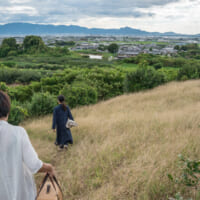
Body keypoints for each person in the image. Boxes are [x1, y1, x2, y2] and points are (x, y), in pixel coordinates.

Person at [0, 90, 55, 200]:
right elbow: (34, 164)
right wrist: (49, 168)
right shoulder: (18, 133)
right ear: (7, 110)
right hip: (21, 195)